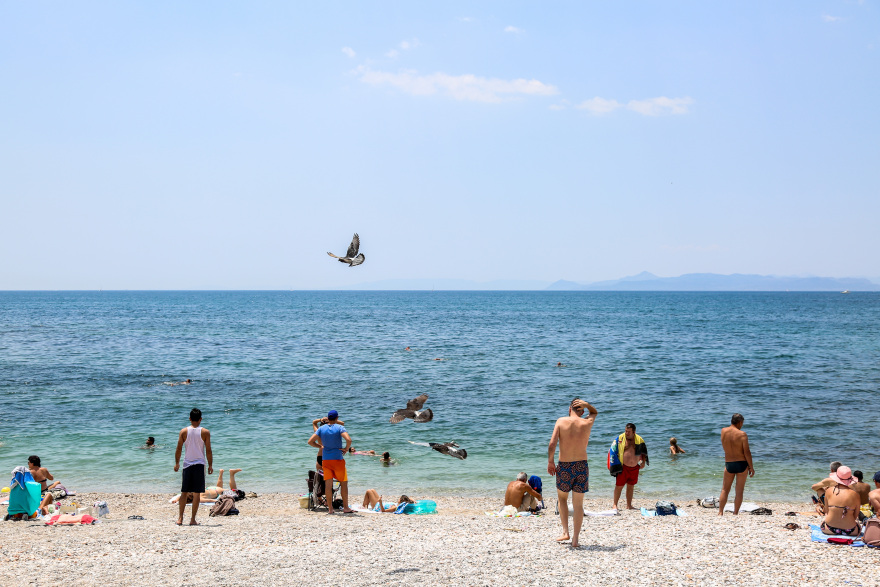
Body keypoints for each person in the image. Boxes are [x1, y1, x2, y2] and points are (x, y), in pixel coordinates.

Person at [548, 398, 597, 548]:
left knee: (562, 499)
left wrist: (550, 461)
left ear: (569, 409)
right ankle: (575, 539)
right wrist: (587, 405)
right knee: (578, 504)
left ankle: (565, 532)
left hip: (564, 466)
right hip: (581, 466)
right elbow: (594, 412)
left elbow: (552, 443)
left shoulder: (561, 421)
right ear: (582, 411)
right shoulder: (586, 422)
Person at [308, 410, 353, 514]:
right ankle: (346, 507)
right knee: (344, 483)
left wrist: (321, 446)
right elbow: (349, 440)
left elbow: (310, 442)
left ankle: (330, 509)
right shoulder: (339, 427)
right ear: (337, 418)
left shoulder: (321, 429)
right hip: (338, 459)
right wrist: (346, 449)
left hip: (326, 460)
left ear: (328, 418)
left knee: (328, 485)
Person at [173, 408, 213, 526]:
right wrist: (210, 465)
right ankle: (192, 519)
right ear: (200, 419)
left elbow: (179, 448)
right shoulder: (205, 432)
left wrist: (177, 463)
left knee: (184, 492)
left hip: (187, 465)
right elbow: (209, 450)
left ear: (190, 419)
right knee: (196, 493)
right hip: (199, 465)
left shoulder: (183, 431)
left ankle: (180, 519)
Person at [718, 413, 754, 516]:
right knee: (739, 490)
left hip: (729, 463)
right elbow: (747, 452)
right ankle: (735, 513)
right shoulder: (742, 434)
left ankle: (720, 512)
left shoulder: (723, 431)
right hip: (741, 464)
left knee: (725, 489)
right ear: (740, 422)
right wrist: (751, 467)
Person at [610, 423, 648, 512]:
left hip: (635, 467)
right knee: (619, 486)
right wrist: (613, 464)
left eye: (628, 432)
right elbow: (612, 450)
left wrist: (643, 462)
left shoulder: (639, 439)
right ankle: (615, 505)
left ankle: (629, 505)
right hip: (623, 467)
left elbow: (643, 451)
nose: (626, 433)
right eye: (626, 431)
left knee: (631, 486)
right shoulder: (620, 439)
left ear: (634, 432)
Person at [821, 466, 861, 537]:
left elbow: (827, 511)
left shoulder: (829, 491)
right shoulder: (855, 494)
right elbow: (855, 515)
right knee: (858, 526)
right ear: (850, 479)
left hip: (829, 529)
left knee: (824, 522)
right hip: (850, 530)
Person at [171, 469, 243, 503]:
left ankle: (231, 474)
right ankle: (221, 473)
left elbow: (210, 500)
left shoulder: (198, 499)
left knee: (234, 491)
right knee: (220, 488)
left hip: (216, 491)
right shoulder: (194, 491)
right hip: (210, 488)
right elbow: (180, 496)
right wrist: (175, 500)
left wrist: (218, 501)